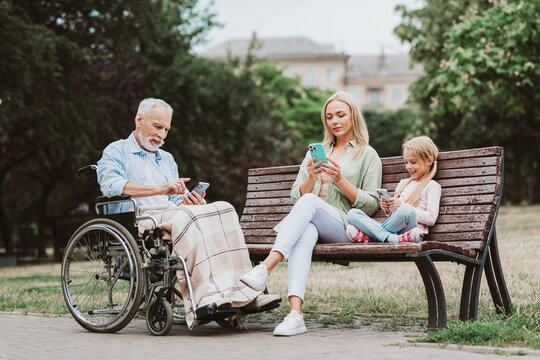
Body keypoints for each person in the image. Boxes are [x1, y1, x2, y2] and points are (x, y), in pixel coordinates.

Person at [97, 98, 280, 329]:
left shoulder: (167, 159)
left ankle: (245, 292)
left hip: (173, 214)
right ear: (139, 120)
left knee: (224, 209)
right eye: (157, 127)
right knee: (188, 216)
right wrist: (160, 189)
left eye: (166, 130)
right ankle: (205, 298)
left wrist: (189, 200)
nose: (162, 136)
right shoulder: (116, 151)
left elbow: (174, 200)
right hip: (140, 218)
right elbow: (111, 185)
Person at [240, 91, 382, 336]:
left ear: (353, 117)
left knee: (309, 203)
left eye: (340, 115)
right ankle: (296, 314)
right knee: (305, 227)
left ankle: (266, 268)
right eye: (329, 117)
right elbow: (297, 196)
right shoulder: (316, 151)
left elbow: (371, 204)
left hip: (343, 226)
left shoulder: (367, 154)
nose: (334, 121)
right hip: (311, 222)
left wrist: (340, 180)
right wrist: (313, 177)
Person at [345, 136, 441, 244]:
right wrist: (388, 209)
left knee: (407, 210)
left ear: (429, 160)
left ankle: (374, 236)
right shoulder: (403, 183)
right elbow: (395, 217)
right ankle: (391, 238)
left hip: (410, 232)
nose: (408, 167)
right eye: (406, 162)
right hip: (397, 234)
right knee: (352, 214)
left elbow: (431, 219)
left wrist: (402, 206)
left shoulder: (432, 186)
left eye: (413, 162)